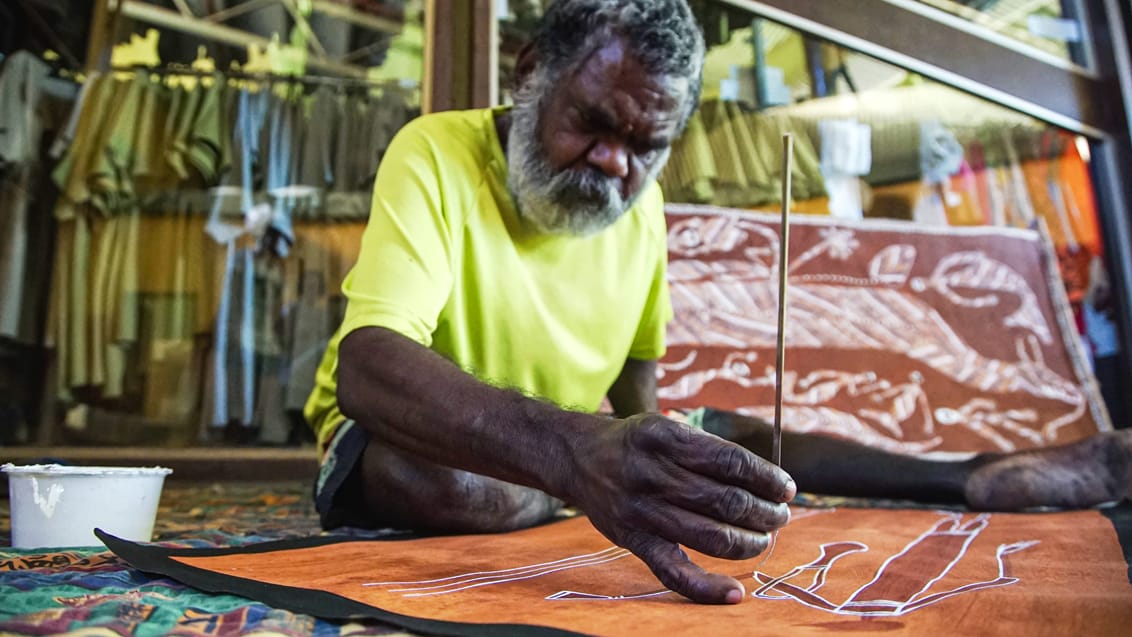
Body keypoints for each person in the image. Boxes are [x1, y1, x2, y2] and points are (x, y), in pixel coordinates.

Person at [305, 0, 1132, 605]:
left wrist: (655, 464)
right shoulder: (436, 153)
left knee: (734, 443)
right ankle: (551, 482)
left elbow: (639, 396)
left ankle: (974, 477)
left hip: (567, 428)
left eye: (643, 146)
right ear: (529, 76)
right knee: (458, 487)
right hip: (418, 442)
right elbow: (368, 367)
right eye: (590, 122)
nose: (610, 164)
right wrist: (578, 455)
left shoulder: (641, 208)